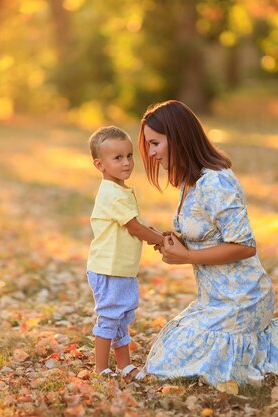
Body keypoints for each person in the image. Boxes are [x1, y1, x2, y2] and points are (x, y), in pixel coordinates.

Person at [137, 100, 278, 385]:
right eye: (149, 145)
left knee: (170, 362)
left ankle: (258, 345)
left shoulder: (217, 182)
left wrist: (187, 257)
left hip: (242, 298)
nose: (151, 152)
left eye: (156, 143)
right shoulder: (189, 182)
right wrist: (170, 240)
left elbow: (245, 246)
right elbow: (208, 235)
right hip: (213, 298)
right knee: (164, 355)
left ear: (178, 137)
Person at [86, 126, 164, 380]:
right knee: (109, 317)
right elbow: (133, 226)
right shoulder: (111, 193)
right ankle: (100, 368)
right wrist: (160, 240)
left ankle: (124, 365)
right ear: (100, 164)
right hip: (109, 268)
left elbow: (135, 225)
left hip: (121, 268)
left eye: (129, 155)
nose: (127, 162)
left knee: (121, 319)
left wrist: (152, 233)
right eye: (117, 158)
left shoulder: (120, 190)